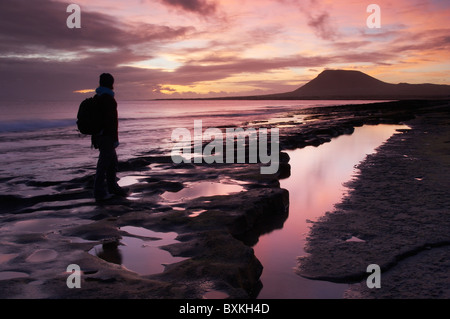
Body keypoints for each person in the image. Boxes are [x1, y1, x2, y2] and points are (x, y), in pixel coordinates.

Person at [92, 73, 128, 201]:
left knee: (112, 163)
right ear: (111, 84)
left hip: (100, 136)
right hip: (106, 136)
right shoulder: (108, 99)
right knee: (103, 165)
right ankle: (99, 192)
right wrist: (115, 139)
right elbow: (111, 121)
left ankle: (112, 187)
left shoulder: (98, 97)